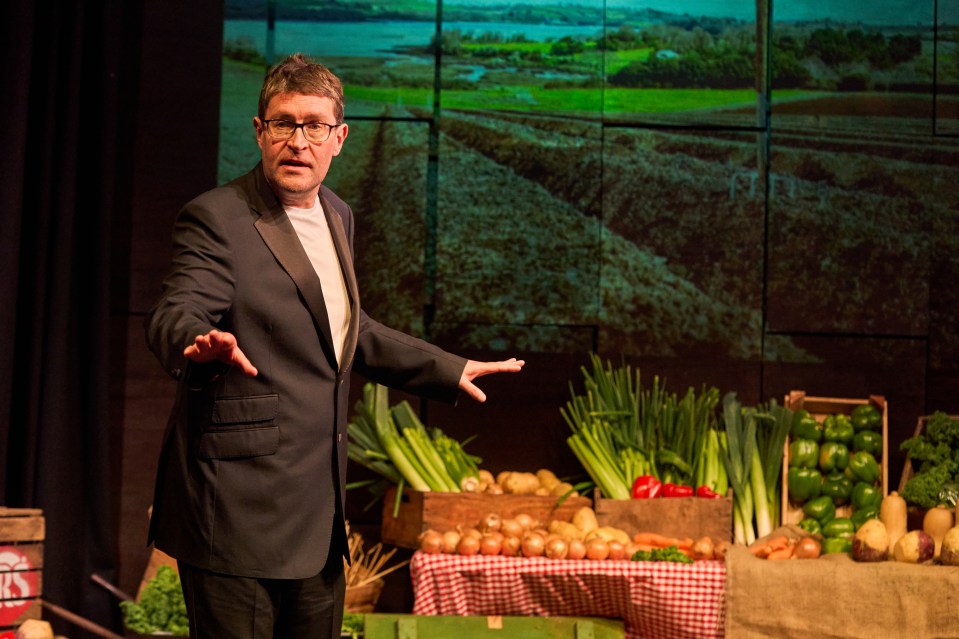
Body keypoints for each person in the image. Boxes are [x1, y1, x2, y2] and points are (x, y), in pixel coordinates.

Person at [144, 52, 524, 639]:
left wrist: (448, 369)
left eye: (315, 125)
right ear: (260, 131)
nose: (299, 140)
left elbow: (350, 330)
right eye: (283, 123)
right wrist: (197, 340)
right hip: (238, 514)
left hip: (318, 523)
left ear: (339, 138)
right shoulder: (217, 217)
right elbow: (179, 308)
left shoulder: (338, 215)